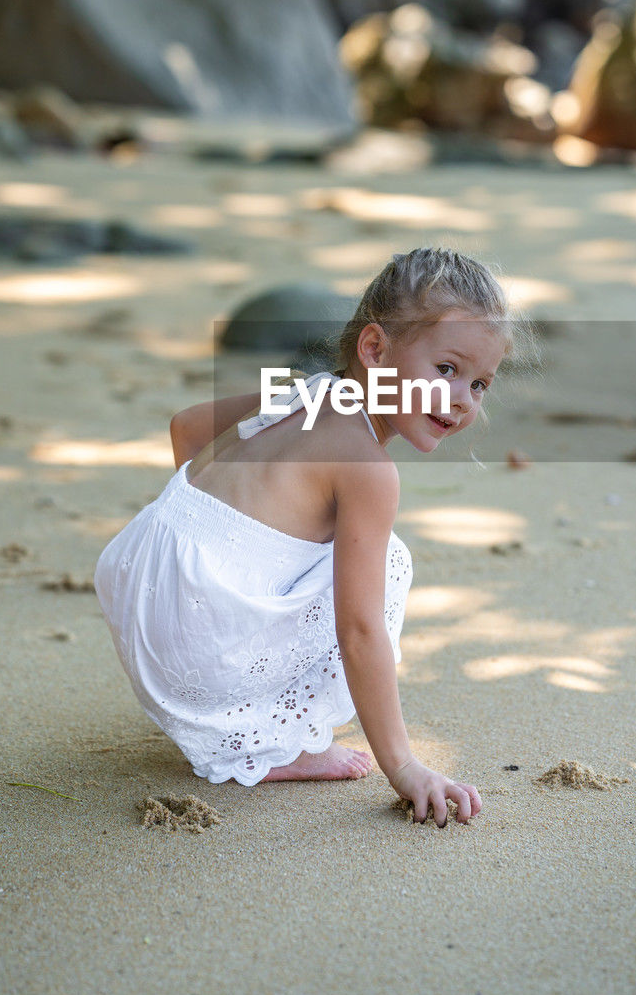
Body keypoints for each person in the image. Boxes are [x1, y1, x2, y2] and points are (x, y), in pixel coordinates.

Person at [94, 247, 514, 825]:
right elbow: (361, 629)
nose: (464, 398)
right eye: (447, 368)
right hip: (196, 653)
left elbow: (186, 425)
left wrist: (202, 557)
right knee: (385, 561)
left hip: (138, 598)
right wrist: (405, 767)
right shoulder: (369, 471)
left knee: (326, 547)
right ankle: (268, 741)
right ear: (374, 349)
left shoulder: (306, 391)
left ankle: (222, 682)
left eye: (481, 383)